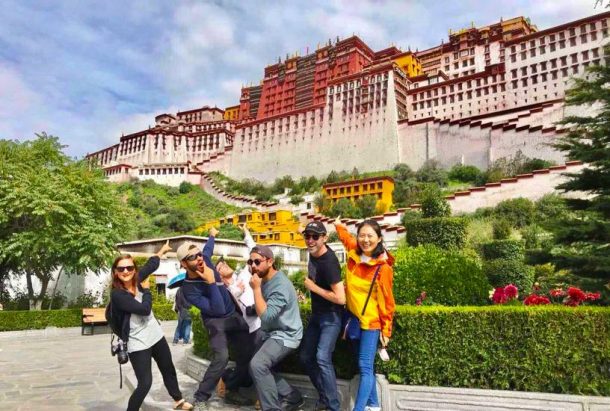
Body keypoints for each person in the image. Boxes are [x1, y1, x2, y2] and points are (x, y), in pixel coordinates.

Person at [110, 240, 193, 411]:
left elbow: (150, 265)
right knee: (145, 383)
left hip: (155, 336)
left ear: (134, 270)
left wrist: (161, 251)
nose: (126, 271)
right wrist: (147, 291)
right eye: (121, 269)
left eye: (129, 268)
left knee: (168, 368)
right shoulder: (118, 295)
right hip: (137, 342)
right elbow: (144, 309)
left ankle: (178, 399)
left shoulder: (137, 280)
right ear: (115, 273)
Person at [178, 228, 254, 410]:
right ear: (183, 264)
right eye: (192, 257)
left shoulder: (205, 260)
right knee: (222, 357)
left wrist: (212, 235)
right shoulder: (188, 290)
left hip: (234, 317)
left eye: (198, 255)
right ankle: (201, 397)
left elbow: (207, 249)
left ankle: (231, 389)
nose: (198, 259)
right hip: (215, 321)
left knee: (248, 354)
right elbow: (217, 310)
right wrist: (211, 282)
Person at [334, 218, 395, 411]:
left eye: (370, 236)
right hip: (353, 319)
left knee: (365, 366)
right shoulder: (354, 252)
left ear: (379, 239)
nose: (365, 240)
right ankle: (374, 406)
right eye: (362, 235)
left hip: (371, 322)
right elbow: (346, 239)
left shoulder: (383, 268)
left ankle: (358, 409)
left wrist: (386, 330)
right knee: (363, 366)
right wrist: (339, 226)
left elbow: (387, 302)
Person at [249, 245, 304, 411]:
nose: (253, 266)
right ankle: (292, 396)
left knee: (258, 365)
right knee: (252, 365)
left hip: (286, 335)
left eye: (257, 261)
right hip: (270, 333)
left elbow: (266, 315)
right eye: (250, 261)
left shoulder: (280, 285)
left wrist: (256, 289)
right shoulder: (263, 279)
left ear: (270, 261)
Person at [298, 221, 345, 411]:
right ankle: (325, 398)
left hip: (331, 317)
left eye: (315, 236)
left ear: (324, 238)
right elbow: (302, 229)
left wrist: (313, 288)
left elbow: (341, 298)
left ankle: (334, 406)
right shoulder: (313, 252)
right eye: (307, 236)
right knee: (305, 357)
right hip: (317, 316)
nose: (310, 240)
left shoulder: (329, 263)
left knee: (322, 357)